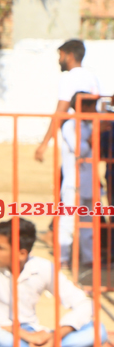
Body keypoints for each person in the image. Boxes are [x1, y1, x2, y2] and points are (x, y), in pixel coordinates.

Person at [0, 218, 106, 347]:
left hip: (33, 332)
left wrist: (57, 335)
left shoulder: (43, 268)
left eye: (0, 247)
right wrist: (23, 335)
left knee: (98, 331)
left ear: (21, 254)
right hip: (2, 329)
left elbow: (85, 303)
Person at [35, 39, 101, 164]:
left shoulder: (69, 78)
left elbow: (61, 111)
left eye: (61, 55)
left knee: (71, 170)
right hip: (91, 136)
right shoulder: (92, 77)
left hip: (75, 136)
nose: (59, 60)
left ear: (70, 56)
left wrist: (44, 144)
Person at [56, 92, 96, 272]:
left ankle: (89, 258)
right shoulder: (70, 125)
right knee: (68, 221)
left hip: (88, 182)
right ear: (83, 107)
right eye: (92, 107)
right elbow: (80, 150)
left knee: (88, 222)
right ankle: (63, 257)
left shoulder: (87, 125)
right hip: (73, 183)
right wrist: (93, 137)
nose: (95, 111)